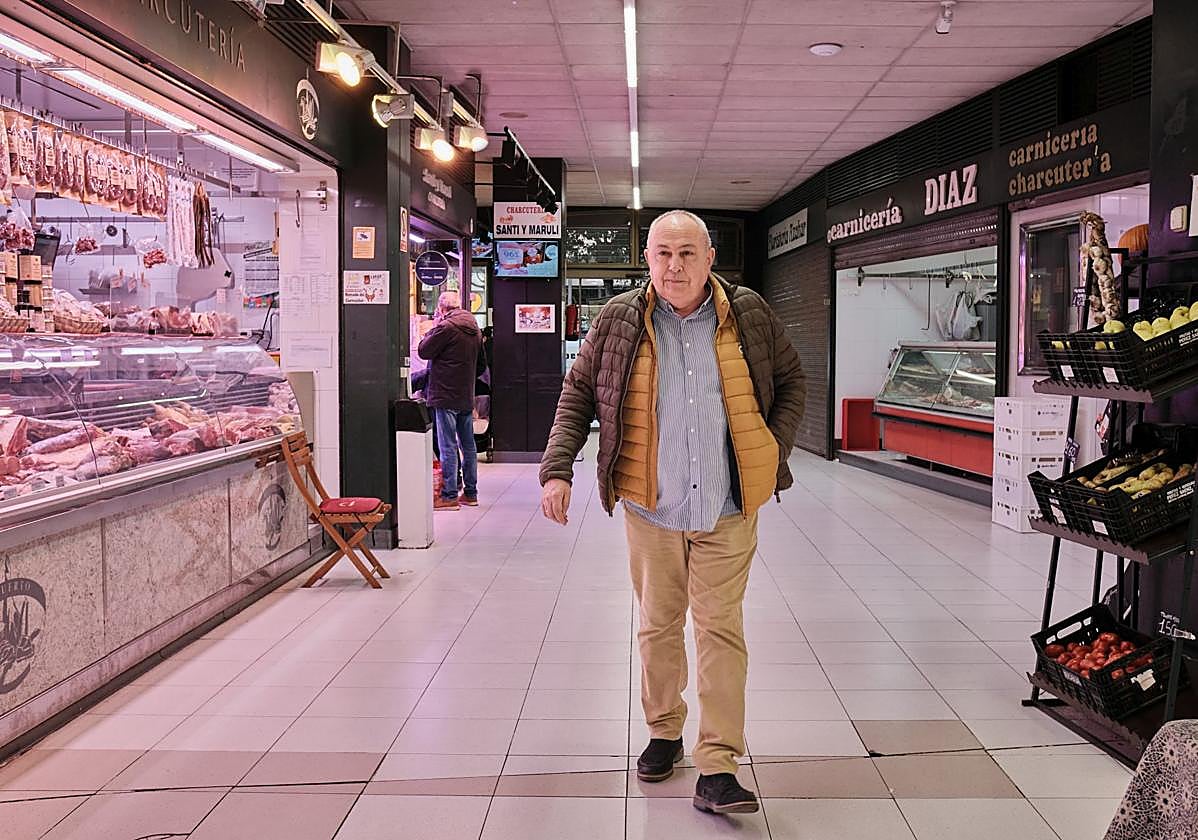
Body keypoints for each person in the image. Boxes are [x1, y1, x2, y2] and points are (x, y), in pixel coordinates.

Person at [539, 210, 806, 816]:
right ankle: (664, 731)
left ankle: (718, 764)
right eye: (663, 253)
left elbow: (791, 379)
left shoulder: (749, 315)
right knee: (658, 625)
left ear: (710, 258)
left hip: (728, 507)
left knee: (720, 629)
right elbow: (579, 392)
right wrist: (556, 468)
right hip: (651, 507)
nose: (675, 265)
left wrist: (771, 447)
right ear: (648, 260)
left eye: (687, 253)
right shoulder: (618, 321)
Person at [418, 291, 483, 510]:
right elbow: (482, 365)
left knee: (447, 445)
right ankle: (471, 494)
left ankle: (450, 495)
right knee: (469, 445)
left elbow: (423, 351)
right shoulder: (474, 328)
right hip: (465, 395)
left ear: (442, 309)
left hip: (445, 395)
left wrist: (432, 329)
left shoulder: (446, 327)